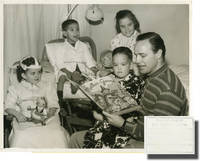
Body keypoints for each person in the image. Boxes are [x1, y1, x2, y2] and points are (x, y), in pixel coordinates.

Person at [69, 47, 146, 148]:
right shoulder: (108, 80)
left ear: (131, 65)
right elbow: (99, 104)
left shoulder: (137, 82)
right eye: (115, 65)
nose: (119, 68)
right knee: (87, 138)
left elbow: (138, 105)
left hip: (123, 124)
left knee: (108, 142)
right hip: (105, 123)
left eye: (123, 64)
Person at [4, 56, 69, 148]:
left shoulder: (46, 86)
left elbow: (53, 103)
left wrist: (50, 113)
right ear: (24, 75)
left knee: (57, 135)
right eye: (33, 73)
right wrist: (18, 115)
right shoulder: (15, 88)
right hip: (25, 121)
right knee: (22, 137)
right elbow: (8, 106)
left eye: (39, 72)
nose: (37, 76)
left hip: (47, 120)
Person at [45, 19, 98, 107]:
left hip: (82, 71)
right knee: (61, 77)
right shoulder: (60, 48)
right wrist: (69, 73)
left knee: (88, 76)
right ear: (65, 33)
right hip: (66, 70)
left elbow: (89, 61)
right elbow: (59, 63)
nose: (76, 32)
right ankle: (60, 101)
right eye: (72, 30)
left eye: (77, 29)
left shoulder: (83, 46)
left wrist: (95, 69)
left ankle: (76, 81)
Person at [110, 9, 141, 76]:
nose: (127, 29)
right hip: (120, 71)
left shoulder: (140, 39)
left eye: (129, 24)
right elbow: (114, 59)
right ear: (118, 27)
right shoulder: (115, 40)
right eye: (123, 26)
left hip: (136, 71)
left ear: (134, 23)